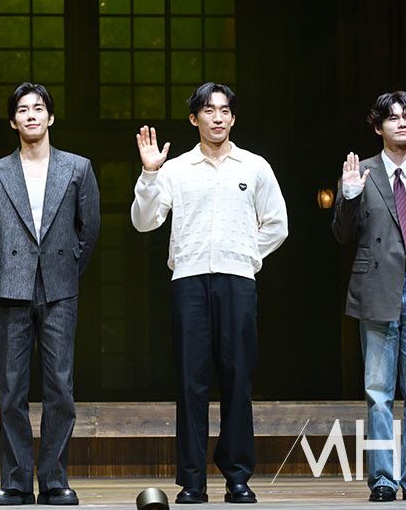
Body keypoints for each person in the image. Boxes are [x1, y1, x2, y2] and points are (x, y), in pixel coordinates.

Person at [131, 82, 288, 504]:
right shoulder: (176, 169)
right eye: (208, 110)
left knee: (238, 377)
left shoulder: (254, 167)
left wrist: (244, 255)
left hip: (238, 280)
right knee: (191, 381)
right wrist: (149, 173)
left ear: (233, 118)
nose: (217, 117)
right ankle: (192, 481)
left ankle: (237, 477)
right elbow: (144, 222)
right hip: (189, 281)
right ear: (194, 118)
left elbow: (277, 224)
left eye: (224, 111)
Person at [0, 82, 100, 506]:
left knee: (60, 387)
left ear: (50, 117)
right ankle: (15, 480)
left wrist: (66, 271)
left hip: (59, 286)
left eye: (38, 108)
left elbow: (89, 229)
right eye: (22, 109)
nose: (31, 115)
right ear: (13, 121)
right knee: (12, 389)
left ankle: (54, 479)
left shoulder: (77, 167)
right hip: (10, 285)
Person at [332, 91, 406, 503]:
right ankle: (383, 478)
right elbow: (342, 233)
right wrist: (349, 196)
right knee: (378, 390)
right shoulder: (360, 173)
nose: (402, 123)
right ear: (378, 126)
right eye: (392, 117)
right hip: (377, 287)